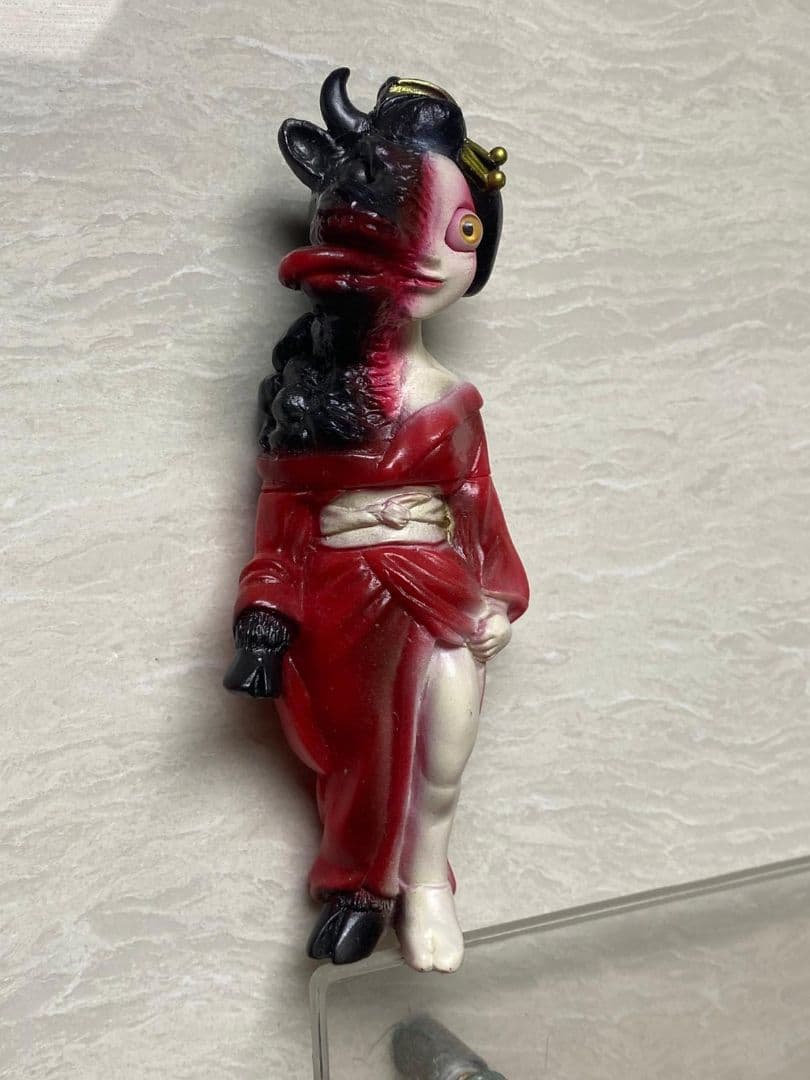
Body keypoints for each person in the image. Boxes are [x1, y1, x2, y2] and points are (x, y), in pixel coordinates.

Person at [225, 69, 529, 972]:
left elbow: (476, 504)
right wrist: (265, 613)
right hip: (342, 595)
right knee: (362, 751)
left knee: (442, 753)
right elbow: (282, 523)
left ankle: (428, 879)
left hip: (440, 590)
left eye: (461, 233)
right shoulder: (308, 398)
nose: (434, 259)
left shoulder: (456, 402)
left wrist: (499, 595)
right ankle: (359, 884)